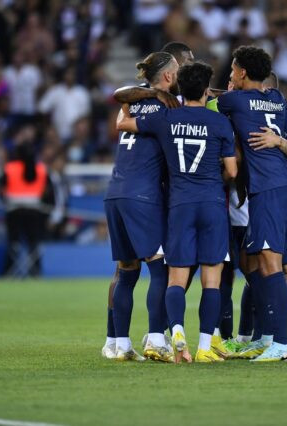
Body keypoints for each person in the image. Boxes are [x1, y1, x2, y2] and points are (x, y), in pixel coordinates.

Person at [208, 46, 287, 361]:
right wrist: (280, 141)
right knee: (286, 270)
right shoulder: (278, 100)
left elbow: (199, 100)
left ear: (242, 72)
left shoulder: (234, 100)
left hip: (268, 194)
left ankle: (280, 343)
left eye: (233, 70)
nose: (230, 76)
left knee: (270, 265)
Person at [117, 61, 237, 363]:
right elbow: (233, 171)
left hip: (179, 205)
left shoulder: (166, 118)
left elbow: (125, 124)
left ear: (179, 88)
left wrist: (142, 99)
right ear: (206, 90)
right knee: (212, 280)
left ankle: (178, 330)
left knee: (175, 279)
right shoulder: (219, 122)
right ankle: (206, 347)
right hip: (211, 203)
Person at [103, 42, 195, 360]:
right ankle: (156, 339)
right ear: (169, 75)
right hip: (143, 195)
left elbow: (120, 116)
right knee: (161, 268)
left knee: (126, 271)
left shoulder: (131, 101)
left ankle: (116, 343)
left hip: (114, 193)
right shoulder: (169, 107)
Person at [1, 141, 48, 278]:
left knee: (13, 244)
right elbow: (46, 191)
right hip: (34, 212)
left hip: (13, 212)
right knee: (34, 245)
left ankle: (10, 272)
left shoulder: (10, 168)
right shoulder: (41, 169)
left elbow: (1, 188)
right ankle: (35, 272)